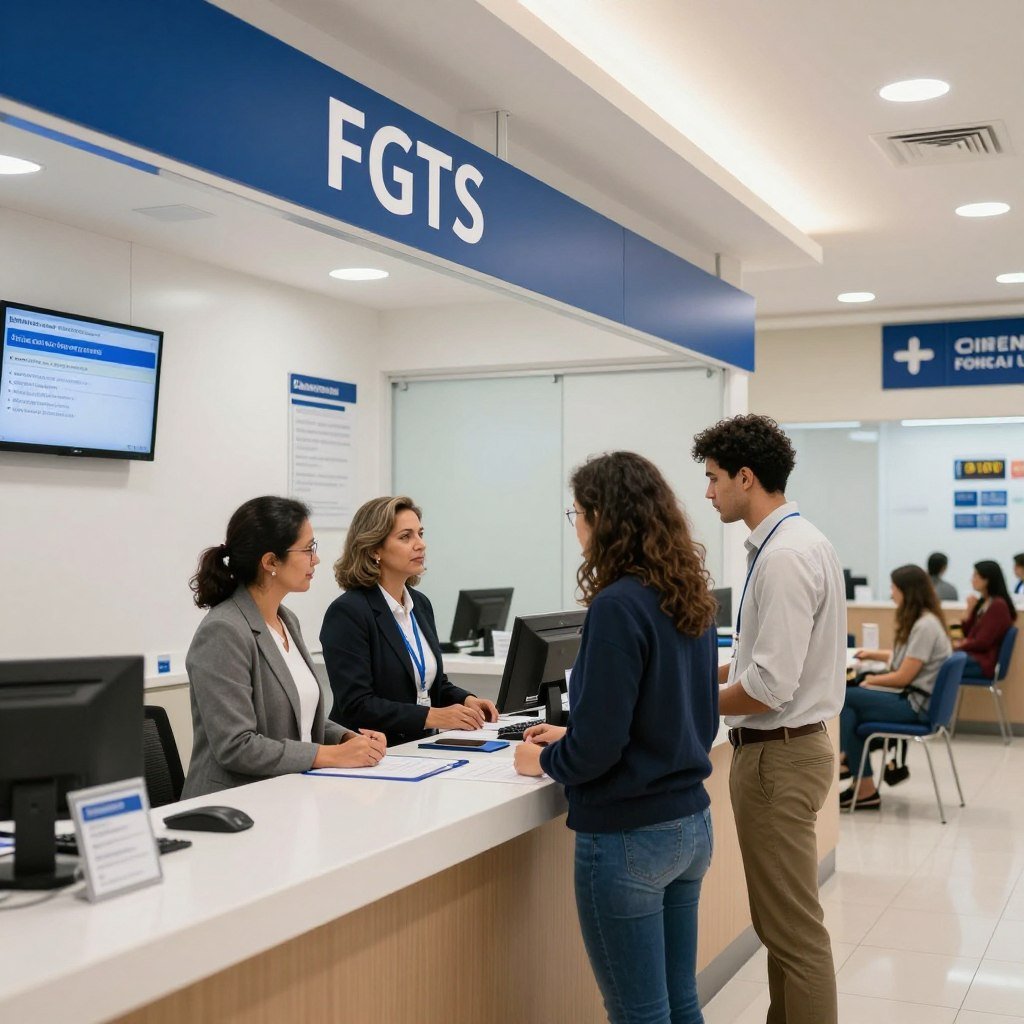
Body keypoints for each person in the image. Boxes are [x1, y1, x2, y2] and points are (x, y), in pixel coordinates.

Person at [514, 452, 719, 1024]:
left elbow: (599, 751)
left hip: (629, 835)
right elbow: (692, 717)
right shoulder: (689, 594)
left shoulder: (616, 605)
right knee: (680, 1002)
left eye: (576, 512)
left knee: (639, 1014)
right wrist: (577, 731)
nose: (574, 524)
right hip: (691, 825)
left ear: (603, 518)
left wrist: (544, 759)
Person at [691, 414, 845, 1024]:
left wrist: (685, 697)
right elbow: (761, 663)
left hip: (777, 759)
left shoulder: (783, 557)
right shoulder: (803, 542)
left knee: (795, 937)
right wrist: (708, 677)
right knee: (781, 929)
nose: (707, 493)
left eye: (712, 479)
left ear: (746, 478)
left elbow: (767, 687)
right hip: (790, 752)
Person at [183, 496, 386, 799]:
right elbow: (237, 746)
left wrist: (346, 738)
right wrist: (332, 756)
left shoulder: (286, 619)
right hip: (233, 803)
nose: (315, 559)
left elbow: (298, 719)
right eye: (308, 549)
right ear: (270, 562)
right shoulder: (223, 631)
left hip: (288, 793)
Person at [321, 495, 498, 746]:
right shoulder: (348, 612)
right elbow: (357, 704)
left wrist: (466, 699)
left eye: (420, 534)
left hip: (418, 747)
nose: (420, 545)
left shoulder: (420, 604)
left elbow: (430, 685)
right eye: (406, 537)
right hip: (371, 750)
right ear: (374, 549)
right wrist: (433, 716)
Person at [839, 565, 952, 809]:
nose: (891, 593)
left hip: (916, 707)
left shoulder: (924, 626)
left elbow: (903, 677)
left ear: (906, 592)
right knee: (853, 714)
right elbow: (906, 660)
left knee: (845, 698)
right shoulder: (925, 620)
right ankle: (858, 778)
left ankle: (850, 768)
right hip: (919, 700)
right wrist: (874, 655)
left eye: (893, 588)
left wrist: (870, 681)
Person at [956, 560, 1017, 679]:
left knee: (939, 665)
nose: (971, 580)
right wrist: (969, 610)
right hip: (975, 657)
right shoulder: (983, 602)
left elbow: (982, 642)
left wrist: (958, 646)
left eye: (975, 576)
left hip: (983, 663)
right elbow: (966, 632)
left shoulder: (998, 605)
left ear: (987, 580)